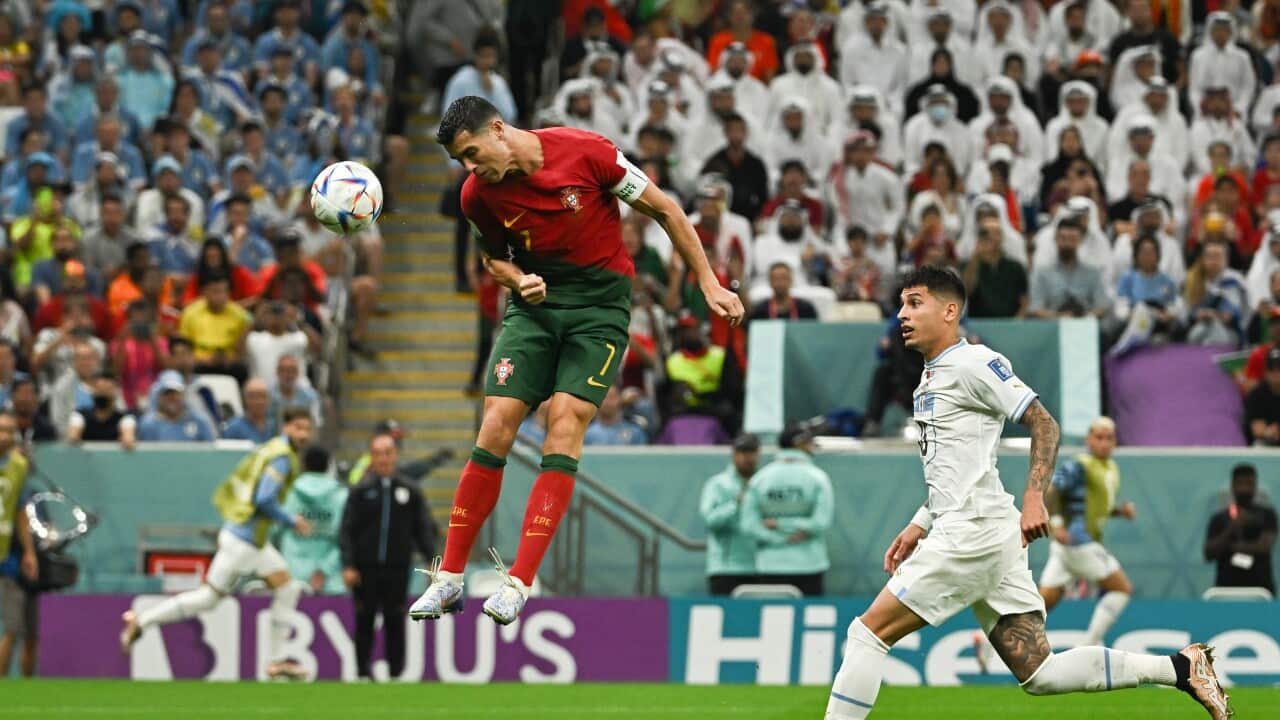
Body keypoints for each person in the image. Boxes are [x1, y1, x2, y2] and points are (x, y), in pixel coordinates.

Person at [823, 266, 1232, 720]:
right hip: (982, 530)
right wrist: (920, 523)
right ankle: (1179, 667)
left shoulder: (973, 362)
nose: (902, 313)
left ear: (950, 310)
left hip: (972, 534)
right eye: (901, 303)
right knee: (1041, 674)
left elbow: (1045, 423)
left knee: (868, 634)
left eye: (914, 302)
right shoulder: (930, 377)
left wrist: (1035, 496)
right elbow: (960, 470)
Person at [409, 96, 743, 626]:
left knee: (563, 421)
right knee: (495, 422)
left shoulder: (589, 153)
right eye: (460, 162)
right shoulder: (478, 194)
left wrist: (708, 282)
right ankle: (448, 579)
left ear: (498, 129)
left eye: (472, 153)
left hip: (599, 310)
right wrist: (518, 280)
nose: (470, 169)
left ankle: (519, 581)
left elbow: (665, 209)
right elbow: (493, 257)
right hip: (533, 310)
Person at [121, 409, 316, 680]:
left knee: (286, 587)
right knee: (208, 599)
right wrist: (291, 521)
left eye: (307, 428)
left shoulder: (273, 448)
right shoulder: (282, 458)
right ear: (286, 427)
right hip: (244, 543)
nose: (303, 434)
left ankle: (277, 660)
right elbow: (264, 499)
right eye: (298, 428)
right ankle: (141, 621)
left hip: (254, 543)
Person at [341, 433, 437, 681]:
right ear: (372, 457)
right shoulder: (361, 491)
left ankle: (396, 673)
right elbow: (347, 531)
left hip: (397, 567)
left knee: (396, 619)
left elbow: (422, 528)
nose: (384, 459)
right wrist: (349, 564)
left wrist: (431, 560)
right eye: (378, 453)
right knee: (365, 619)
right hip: (365, 569)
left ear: (395, 455)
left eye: (388, 453)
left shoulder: (410, 491)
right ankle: (362, 672)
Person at [1037, 418, 1136, 648]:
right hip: (1078, 543)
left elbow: (1093, 507)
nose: (1103, 443)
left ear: (1115, 442)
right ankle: (1089, 646)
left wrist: (1120, 512)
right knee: (1121, 589)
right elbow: (1051, 491)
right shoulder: (1079, 465)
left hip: (1067, 549)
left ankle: (986, 641)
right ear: (1088, 440)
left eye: (1109, 438)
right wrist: (1057, 524)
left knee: (1041, 604)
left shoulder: (1110, 468)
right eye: (1098, 437)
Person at [740, 425, 833, 596]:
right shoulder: (818, 478)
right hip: (810, 564)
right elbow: (820, 523)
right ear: (798, 443)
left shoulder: (759, 479)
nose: (811, 445)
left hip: (770, 564)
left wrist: (778, 530)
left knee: (773, 620)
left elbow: (749, 525)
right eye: (808, 441)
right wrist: (795, 531)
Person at [699, 433, 761, 595]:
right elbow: (710, 521)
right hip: (725, 568)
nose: (748, 458)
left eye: (752, 452)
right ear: (734, 454)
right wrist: (736, 504)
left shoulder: (763, 483)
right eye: (743, 452)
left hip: (759, 566)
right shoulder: (717, 484)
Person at [280, 446, 347, 595]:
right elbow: (345, 540)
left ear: (304, 465)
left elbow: (276, 530)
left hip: (292, 572)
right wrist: (324, 570)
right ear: (329, 466)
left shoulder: (290, 493)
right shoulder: (341, 496)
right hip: (331, 581)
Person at [0, 411, 37, 677]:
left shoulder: (18, 465)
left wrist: (29, 552)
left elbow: (21, 511)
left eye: (10, 431)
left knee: (13, 626)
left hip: (5, 554)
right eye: (1, 430)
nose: (5, 436)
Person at [1203, 463, 1276, 596]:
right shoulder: (1219, 518)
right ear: (1233, 486)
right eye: (1240, 483)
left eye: (1249, 484)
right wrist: (1232, 528)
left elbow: (1264, 546)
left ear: (1255, 486)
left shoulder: (1267, 515)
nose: (1245, 489)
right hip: (1225, 591)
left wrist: (1231, 547)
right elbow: (1208, 553)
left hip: (1261, 591)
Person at [137, 371, 215, 443]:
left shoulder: (200, 421)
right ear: (159, 396)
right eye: (167, 393)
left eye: (176, 393)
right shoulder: (148, 424)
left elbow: (211, 452)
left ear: (183, 395)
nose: (172, 397)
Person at [66, 373, 136, 449]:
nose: (103, 393)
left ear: (116, 393)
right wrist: (74, 437)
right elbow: (73, 436)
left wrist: (127, 439)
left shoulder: (125, 418)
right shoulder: (79, 415)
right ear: (92, 391)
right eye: (99, 389)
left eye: (107, 389)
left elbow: (128, 438)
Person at [749, 262, 818, 322]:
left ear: (791, 280)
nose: (780, 283)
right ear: (770, 282)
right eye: (776, 279)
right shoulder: (759, 311)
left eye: (784, 278)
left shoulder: (806, 309)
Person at [222, 378, 277, 444]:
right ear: (245, 399)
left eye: (263, 396)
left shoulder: (275, 425)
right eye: (253, 397)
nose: (259, 401)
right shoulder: (233, 428)